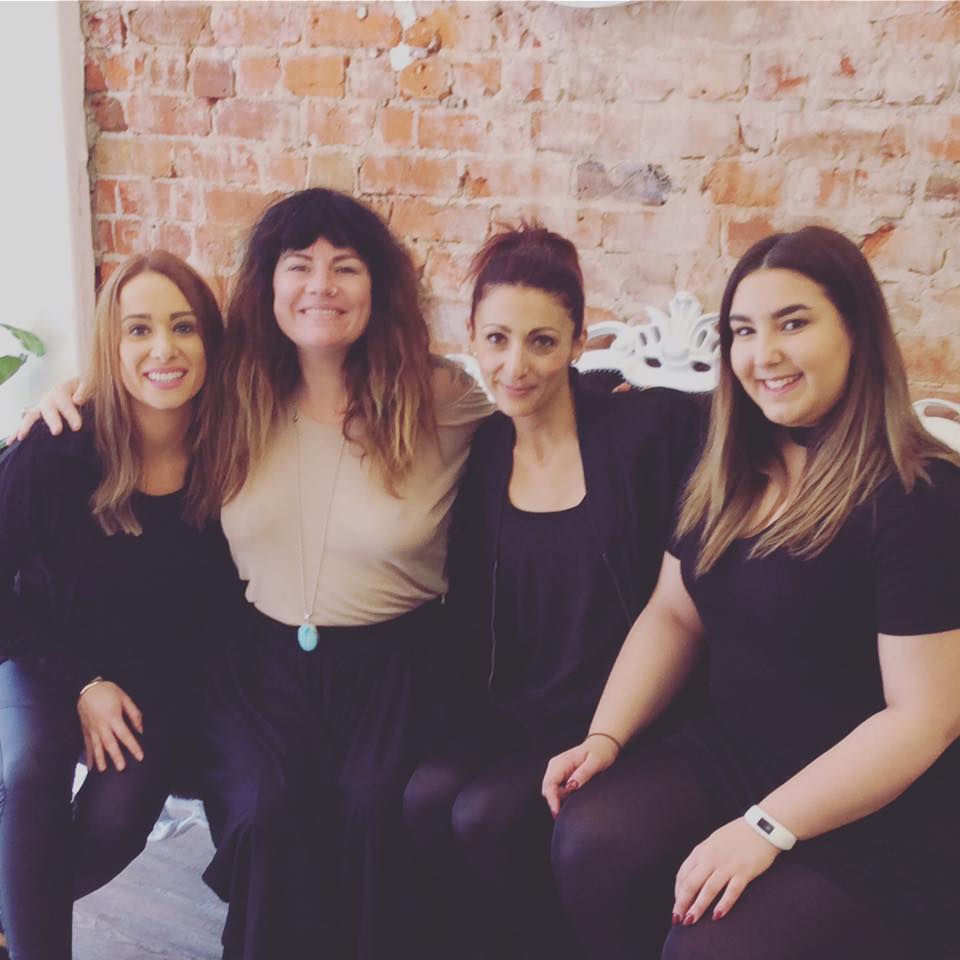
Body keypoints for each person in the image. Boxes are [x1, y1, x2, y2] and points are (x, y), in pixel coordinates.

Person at [542, 226, 960, 960]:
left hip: (872, 804)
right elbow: (673, 615)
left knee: (709, 949)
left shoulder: (919, 495)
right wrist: (606, 735)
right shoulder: (729, 466)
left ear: (857, 331)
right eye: (742, 330)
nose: (762, 354)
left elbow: (924, 718)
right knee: (591, 840)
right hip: (735, 754)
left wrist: (765, 827)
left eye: (792, 323)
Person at [402, 225, 703, 959]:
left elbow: (746, 421)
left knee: (484, 814)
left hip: (630, 710)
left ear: (577, 342)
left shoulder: (643, 429)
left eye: (542, 342)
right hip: (523, 707)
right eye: (497, 339)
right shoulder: (484, 449)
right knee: (424, 795)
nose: (515, 366)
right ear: (471, 338)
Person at [0, 251, 233, 960]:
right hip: (46, 654)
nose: (163, 349)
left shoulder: (232, 446)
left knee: (119, 818)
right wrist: (82, 683)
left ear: (210, 341)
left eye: (183, 326)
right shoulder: (58, 446)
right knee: (32, 771)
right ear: (111, 343)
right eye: (138, 329)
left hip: (154, 678)